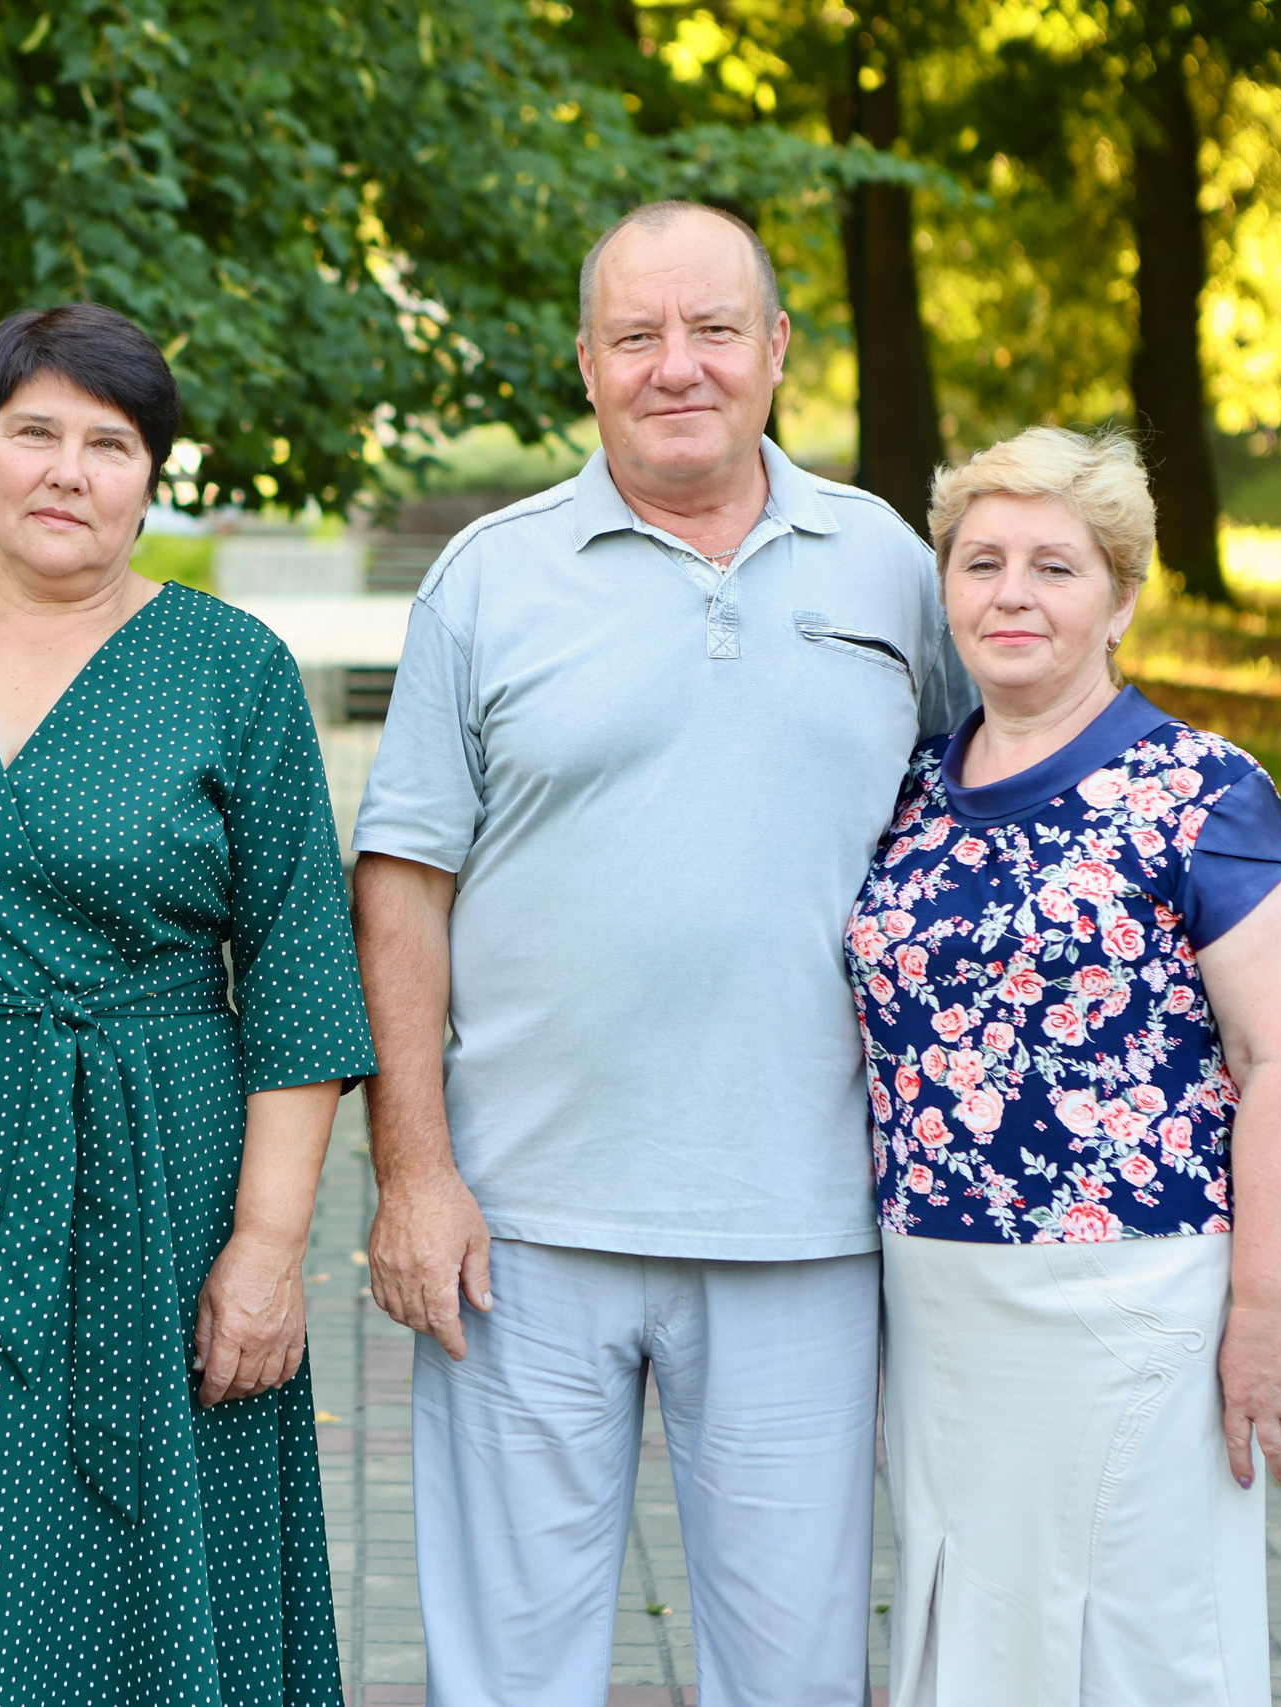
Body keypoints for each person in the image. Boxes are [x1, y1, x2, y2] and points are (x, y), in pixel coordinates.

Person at [351, 199, 976, 1707]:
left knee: (795, 1674)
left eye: (712, 329)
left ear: (777, 348)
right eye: (635, 335)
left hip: (807, 1221)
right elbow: (402, 883)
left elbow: (985, 819)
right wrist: (414, 1176)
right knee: (508, 1676)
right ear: (586, 364)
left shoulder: (891, 565)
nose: (674, 365)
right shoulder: (487, 578)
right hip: (521, 1228)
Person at [0, 303, 377, 1707]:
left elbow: (298, 974)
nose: (67, 472)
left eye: (110, 443)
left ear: (152, 477)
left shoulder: (233, 668)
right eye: (34, 432)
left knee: (135, 1553)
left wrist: (269, 1247)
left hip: (161, 1181)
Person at [853, 426, 1281, 1704]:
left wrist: (1268, 1316)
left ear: (1121, 599)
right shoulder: (910, 790)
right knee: (974, 1625)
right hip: (941, 1298)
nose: (1011, 594)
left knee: (1134, 1638)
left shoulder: (1203, 793)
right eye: (981, 563)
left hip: (1131, 1299)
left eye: (1054, 567)